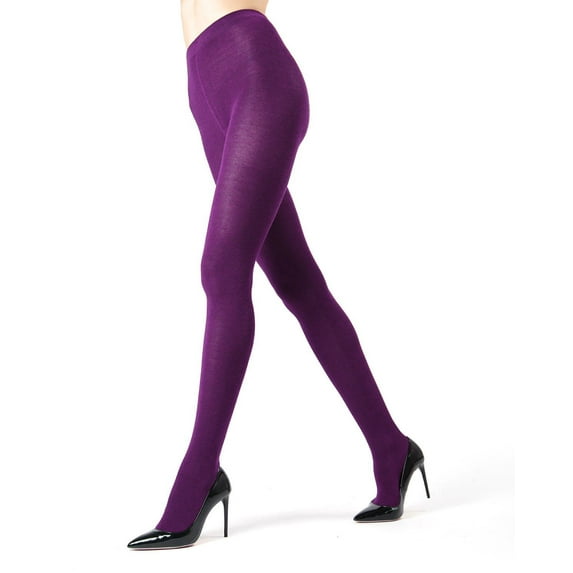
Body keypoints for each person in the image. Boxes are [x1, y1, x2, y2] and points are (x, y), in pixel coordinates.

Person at [127, 0, 430, 550]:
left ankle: (199, 474)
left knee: (222, 267)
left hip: (254, 74)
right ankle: (392, 447)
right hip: (204, 86)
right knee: (300, 284)